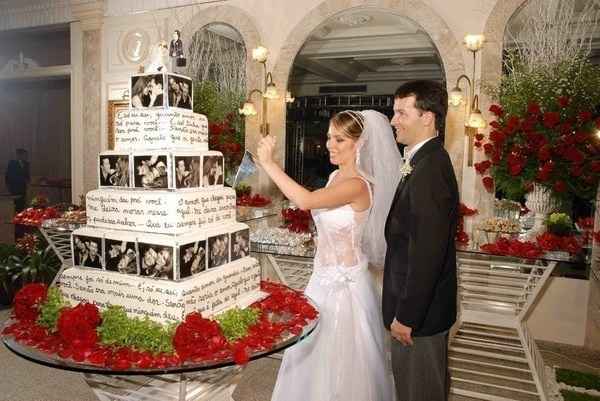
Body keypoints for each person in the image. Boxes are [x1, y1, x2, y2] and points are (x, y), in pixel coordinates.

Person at [257, 110, 401, 401]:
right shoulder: (336, 176)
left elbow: (307, 201)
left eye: (339, 139)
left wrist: (268, 164)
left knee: (342, 365)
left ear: (359, 144)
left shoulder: (358, 185)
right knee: (309, 360)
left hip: (345, 289)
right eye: (328, 137)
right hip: (321, 281)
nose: (329, 144)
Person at [383, 80, 458, 401]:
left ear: (427, 117)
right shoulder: (423, 160)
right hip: (419, 313)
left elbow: (427, 253)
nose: (393, 120)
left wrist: (407, 316)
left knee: (420, 392)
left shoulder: (429, 169)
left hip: (419, 319)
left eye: (402, 112)